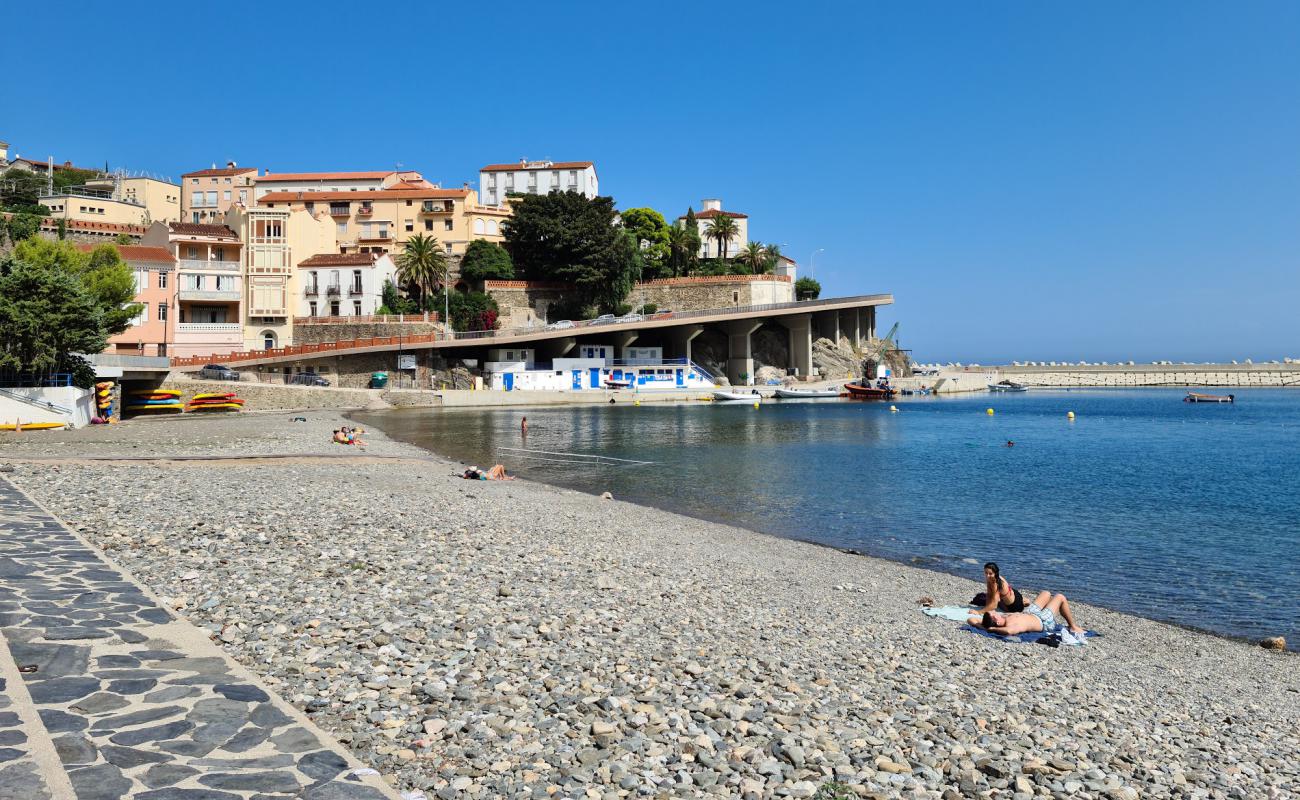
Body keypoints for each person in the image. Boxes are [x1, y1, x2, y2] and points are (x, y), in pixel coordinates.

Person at [969, 590, 1086, 637]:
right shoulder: (1012, 625)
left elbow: (971, 620)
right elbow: (1009, 631)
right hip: (1043, 621)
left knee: (1046, 593)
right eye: (994, 614)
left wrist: (986, 627)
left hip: (1030, 612)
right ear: (998, 622)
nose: (995, 611)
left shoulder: (997, 620)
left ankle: (1053, 608)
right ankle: (1073, 626)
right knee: (1060, 597)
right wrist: (992, 629)